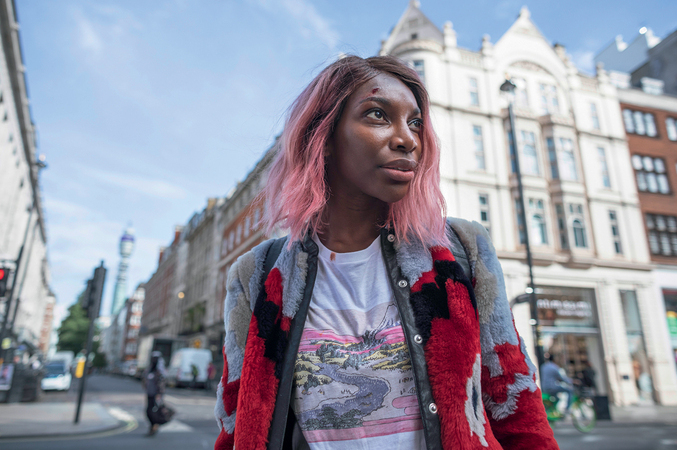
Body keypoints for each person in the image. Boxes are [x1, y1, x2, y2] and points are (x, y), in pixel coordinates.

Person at [214, 55, 558, 450]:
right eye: (378, 115)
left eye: (414, 122)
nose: (407, 139)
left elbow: (519, 411)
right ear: (321, 138)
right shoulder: (257, 275)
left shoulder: (461, 252)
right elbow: (237, 425)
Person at [144, 351, 170, 436]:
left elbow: (162, 383)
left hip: (156, 395)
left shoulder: (159, 371)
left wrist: (159, 394)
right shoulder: (150, 369)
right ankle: (153, 426)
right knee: (148, 412)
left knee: (153, 412)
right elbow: (145, 379)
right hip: (149, 394)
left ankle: (154, 427)